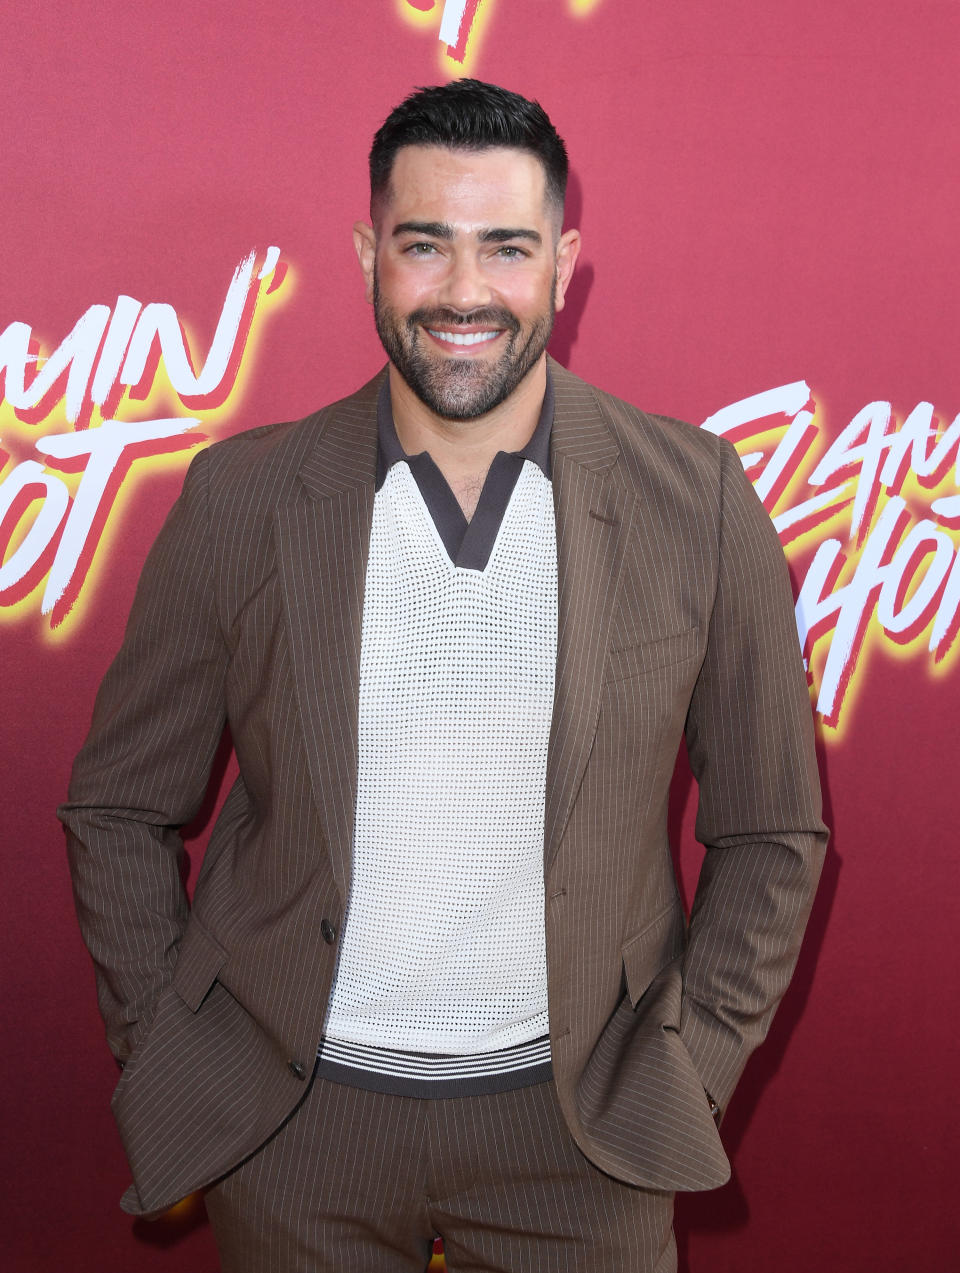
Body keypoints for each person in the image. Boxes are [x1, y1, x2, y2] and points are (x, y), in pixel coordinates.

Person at [61, 79, 828, 1273]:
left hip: (582, 1133)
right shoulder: (244, 497)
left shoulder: (697, 497)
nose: (465, 293)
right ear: (371, 253)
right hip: (296, 1122)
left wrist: (694, 1063)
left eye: (506, 247)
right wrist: (169, 1043)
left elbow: (775, 828)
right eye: (426, 245)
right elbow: (118, 805)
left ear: (564, 262)